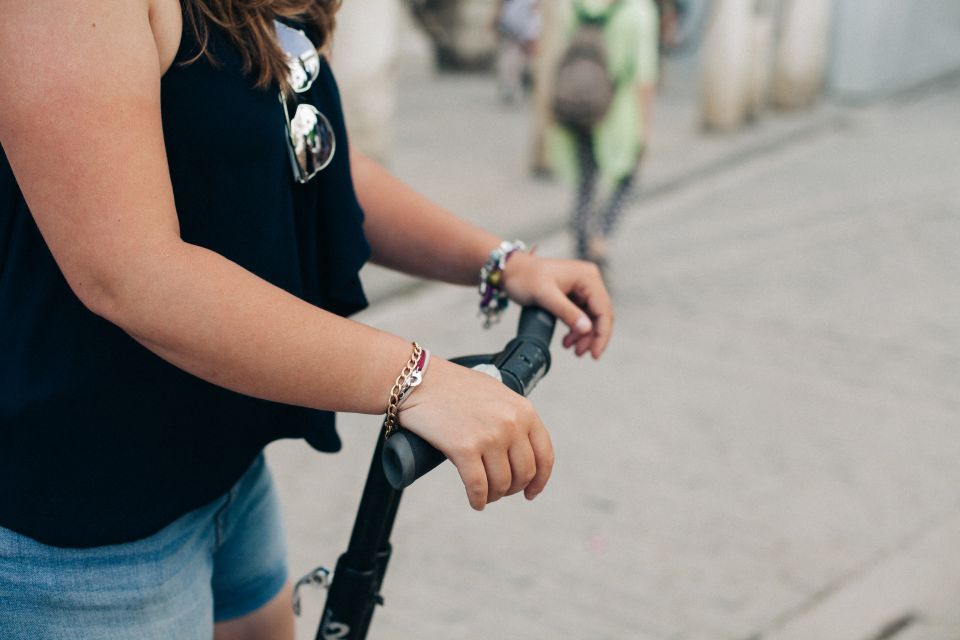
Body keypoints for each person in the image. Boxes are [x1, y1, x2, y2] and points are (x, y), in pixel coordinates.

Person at [0, 1, 613, 639]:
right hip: (86, 522)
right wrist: (418, 379)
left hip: (225, 473)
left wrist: (500, 262)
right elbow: (131, 272)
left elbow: (311, 156)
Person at [548, 0, 659, 267]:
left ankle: (580, 245)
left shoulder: (577, 6)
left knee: (585, 182)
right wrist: (644, 131)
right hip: (617, 109)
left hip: (578, 103)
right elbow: (644, 77)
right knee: (626, 178)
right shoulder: (639, 11)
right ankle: (600, 241)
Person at [492, 0, 542, 103]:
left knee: (514, 58)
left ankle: (513, 85)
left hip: (517, 27)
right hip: (518, 28)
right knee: (514, 58)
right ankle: (512, 86)